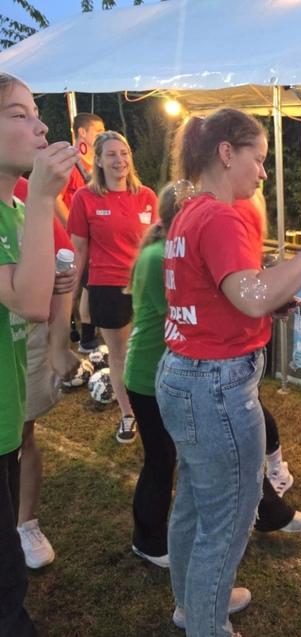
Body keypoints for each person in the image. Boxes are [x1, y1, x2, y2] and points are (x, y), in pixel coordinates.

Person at [156, 108, 301, 637]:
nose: (262, 171)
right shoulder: (221, 215)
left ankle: (192, 604)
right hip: (215, 384)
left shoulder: (189, 210)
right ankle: (206, 624)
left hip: (184, 373)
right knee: (227, 519)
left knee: (195, 502)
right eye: (257, 159)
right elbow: (253, 294)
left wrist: (261, 304)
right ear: (226, 153)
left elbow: (224, 294)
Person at [0, 72, 77, 637]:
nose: (42, 126)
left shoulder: (17, 211)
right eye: (19, 114)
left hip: (5, 418)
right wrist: (47, 194)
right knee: (6, 592)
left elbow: (36, 295)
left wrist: (55, 283)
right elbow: (28, 302)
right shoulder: (31, 204)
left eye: (37, 113)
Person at [68, 131, 157, 445]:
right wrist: (70, 295)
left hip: (146, 288)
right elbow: (79, 250)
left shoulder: (146, 195)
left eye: (124, 153)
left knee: (151, 352)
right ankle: (129, 413)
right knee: (120, 357)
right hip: (107, 287)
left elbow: (158, 245)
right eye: (111, 154)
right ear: (99, 161)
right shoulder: (85, 198)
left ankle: (155, 409)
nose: (120, 160)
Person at [12, 177, 79, 570]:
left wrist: (58, 343)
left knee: (21, 434)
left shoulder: (27, 191)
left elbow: (64, 265)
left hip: (23, 338)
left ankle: (25, 523)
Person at [57, 113, 105, 353]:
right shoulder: (71, 163)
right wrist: (73, 225)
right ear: (82, 132)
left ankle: (84, 333)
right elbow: (55, 198)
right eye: (98, 131)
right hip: (70, 240)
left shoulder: (92, 165)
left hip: (88, 239)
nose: (101, 136)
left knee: (86, 284)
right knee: (74, 287)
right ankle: (68, 336)